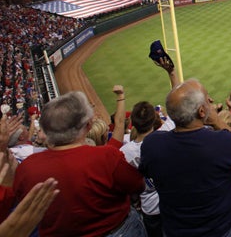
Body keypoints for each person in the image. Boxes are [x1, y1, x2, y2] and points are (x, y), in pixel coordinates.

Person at [12, 91, 146, 236]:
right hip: (116, 231)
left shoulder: (26, 167)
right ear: (88, 125)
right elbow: (137, 185)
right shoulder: (106, 156)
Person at [140, 78, 231, 237]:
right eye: (207, 100)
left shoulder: (152, 145)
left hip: (177, 230)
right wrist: (217, 121)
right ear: (201, 111)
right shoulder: (222, 142)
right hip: (224, 228)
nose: (211, 102)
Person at [120, 101, 164, 237]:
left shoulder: (123, 152)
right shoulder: (165, 139)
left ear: (132, 121)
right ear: (153, 121)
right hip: (170, 202)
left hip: (149, 208)